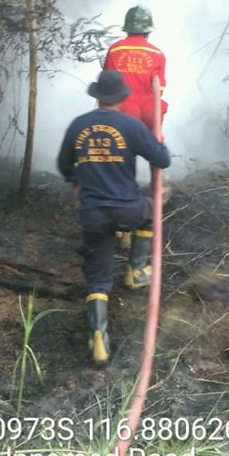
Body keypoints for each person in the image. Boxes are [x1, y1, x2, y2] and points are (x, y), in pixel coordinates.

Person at [57, 69, 171, 365]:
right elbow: (162, 159)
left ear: (97, 97)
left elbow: (63, 164)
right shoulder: (130, 126)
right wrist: (160, 143)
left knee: (98, 279)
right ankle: (136, 271)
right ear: (121, 97)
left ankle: (99, 338)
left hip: (93, 213)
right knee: (150, 213)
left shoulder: (78, 126)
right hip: (128, 209)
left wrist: (76, 179)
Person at [103, 5, 168, 131]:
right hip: (146, 115)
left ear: (126, 28)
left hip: (120, 110)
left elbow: (106, 82)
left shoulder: (115, 49)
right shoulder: (157, 53)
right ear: (148, 30)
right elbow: (159, 90)